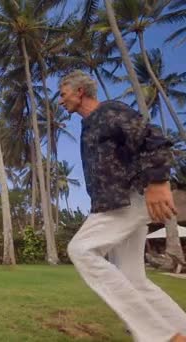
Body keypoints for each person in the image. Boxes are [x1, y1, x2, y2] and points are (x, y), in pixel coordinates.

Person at [59, 70, 186, 342]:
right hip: (115, 203)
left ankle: (161, 336)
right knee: (133, 278)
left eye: (63, 93)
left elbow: (151, 138)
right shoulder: (90, 124)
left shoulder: (109, 112)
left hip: (125, 201)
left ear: (79, 91)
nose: (61, 100)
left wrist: (159, 181)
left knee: (80, 250)